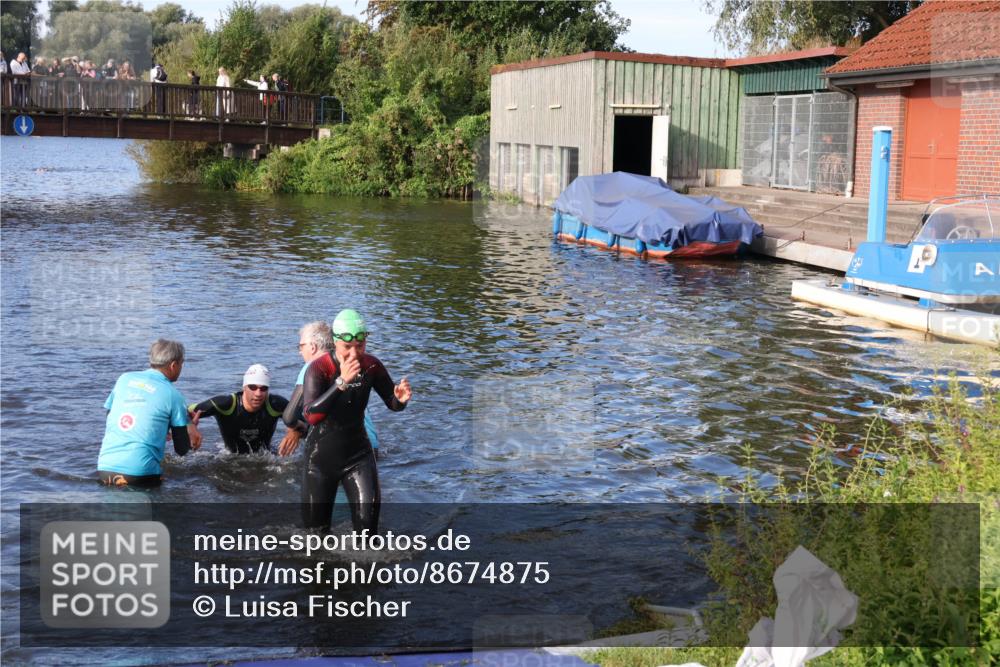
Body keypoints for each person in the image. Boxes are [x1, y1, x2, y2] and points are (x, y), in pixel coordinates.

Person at [300, 310, 411, 532]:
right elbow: (311, 415)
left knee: (368, 534)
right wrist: (341, 383)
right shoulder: (319, 368)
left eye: (360, 346)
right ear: (335, 342)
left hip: (358, 455)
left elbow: (392, 402)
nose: (354, 353)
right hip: (320, 459)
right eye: (347, 347)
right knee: (315, 538)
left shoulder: (371, 365)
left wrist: (399, 400)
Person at [97, 339, 202, 488]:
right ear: (173, 365)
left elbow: (110, 415)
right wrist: (188, 429)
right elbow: (181, 450)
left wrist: (157, 429)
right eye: (182, 363)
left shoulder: (124, 379)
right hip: (140, 474)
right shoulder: (173, 395)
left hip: (105, 469)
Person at [281, 321, 379, 456]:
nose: (300, 351)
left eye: (301, 346)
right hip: (370, 444)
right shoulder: (350, 363)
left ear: (313, 347)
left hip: (339, 448)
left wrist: (298, 429)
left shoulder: (313, 367)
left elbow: (289, 417)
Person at [187, 364, 299, 454]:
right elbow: (184, 410)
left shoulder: (276, 404)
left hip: (265, 456)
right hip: (229, 456)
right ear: (244, 387)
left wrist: (295, 431)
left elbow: (308, 421)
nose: (258, 394)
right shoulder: (226, 404)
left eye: (263, 388)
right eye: (253, 387)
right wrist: (190, 426)